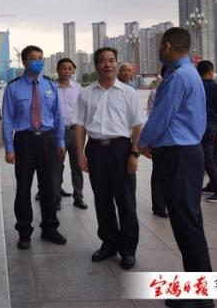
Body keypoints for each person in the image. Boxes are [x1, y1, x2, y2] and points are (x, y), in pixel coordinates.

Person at [139, 28, 214, 308]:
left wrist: (141, 143)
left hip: (179, 156)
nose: (159, 50)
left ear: (168, 45)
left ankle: (200, 296)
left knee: (186, 224)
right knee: (188, 222)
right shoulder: (187, 73)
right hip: (185, 153)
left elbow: (161, 117)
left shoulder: (178, 76)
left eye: (160, 45)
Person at [74, 47, 145, 270]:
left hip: (121, 149)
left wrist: (134, 153)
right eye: (103, 61)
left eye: (112, 60)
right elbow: (79, 125)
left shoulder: (128, 93)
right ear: (96, 65)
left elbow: (138, 125)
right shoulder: (86, 93)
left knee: (126, 201)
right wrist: (80, 154)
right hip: (96, 150)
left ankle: (128, 249)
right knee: (102, 200)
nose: (108, 65)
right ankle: (109, 243)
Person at [2, 45, 66, 250]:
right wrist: (9, 148)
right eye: (33, 58)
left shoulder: (50, 85)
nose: (38, 62)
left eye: (41, 58)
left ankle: (50, 228)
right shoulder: (13, 87)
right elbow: (7, 120)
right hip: (24, 141)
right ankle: (24, 232)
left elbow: (58, 116)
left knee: (49, 188)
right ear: (24, 62)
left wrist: (60, 141)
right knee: (23, 189)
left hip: (47, 140)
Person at [55, 58, 87, 210]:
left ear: (73, 71)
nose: (67, 71)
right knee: (57, 166)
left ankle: (78, 197)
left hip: (76, 132)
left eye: (69, 69)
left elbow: (83, 109)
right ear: (58, 70)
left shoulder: (78, 88)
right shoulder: (52, 88)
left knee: (77, 166)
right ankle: (56, 197)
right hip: (58, 133)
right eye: (63, 68)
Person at [196, 60, 217, 203]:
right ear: (211, 72)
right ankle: (213, 185)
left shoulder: (197, 88)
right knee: (215, 158)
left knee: (207, 159)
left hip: (204, 127)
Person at [147, 66, 167, 218]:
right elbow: (151, 116)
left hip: (179, 140)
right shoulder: (155, 93)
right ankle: (159, 206)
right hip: (160, 138)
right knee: (159, 173)